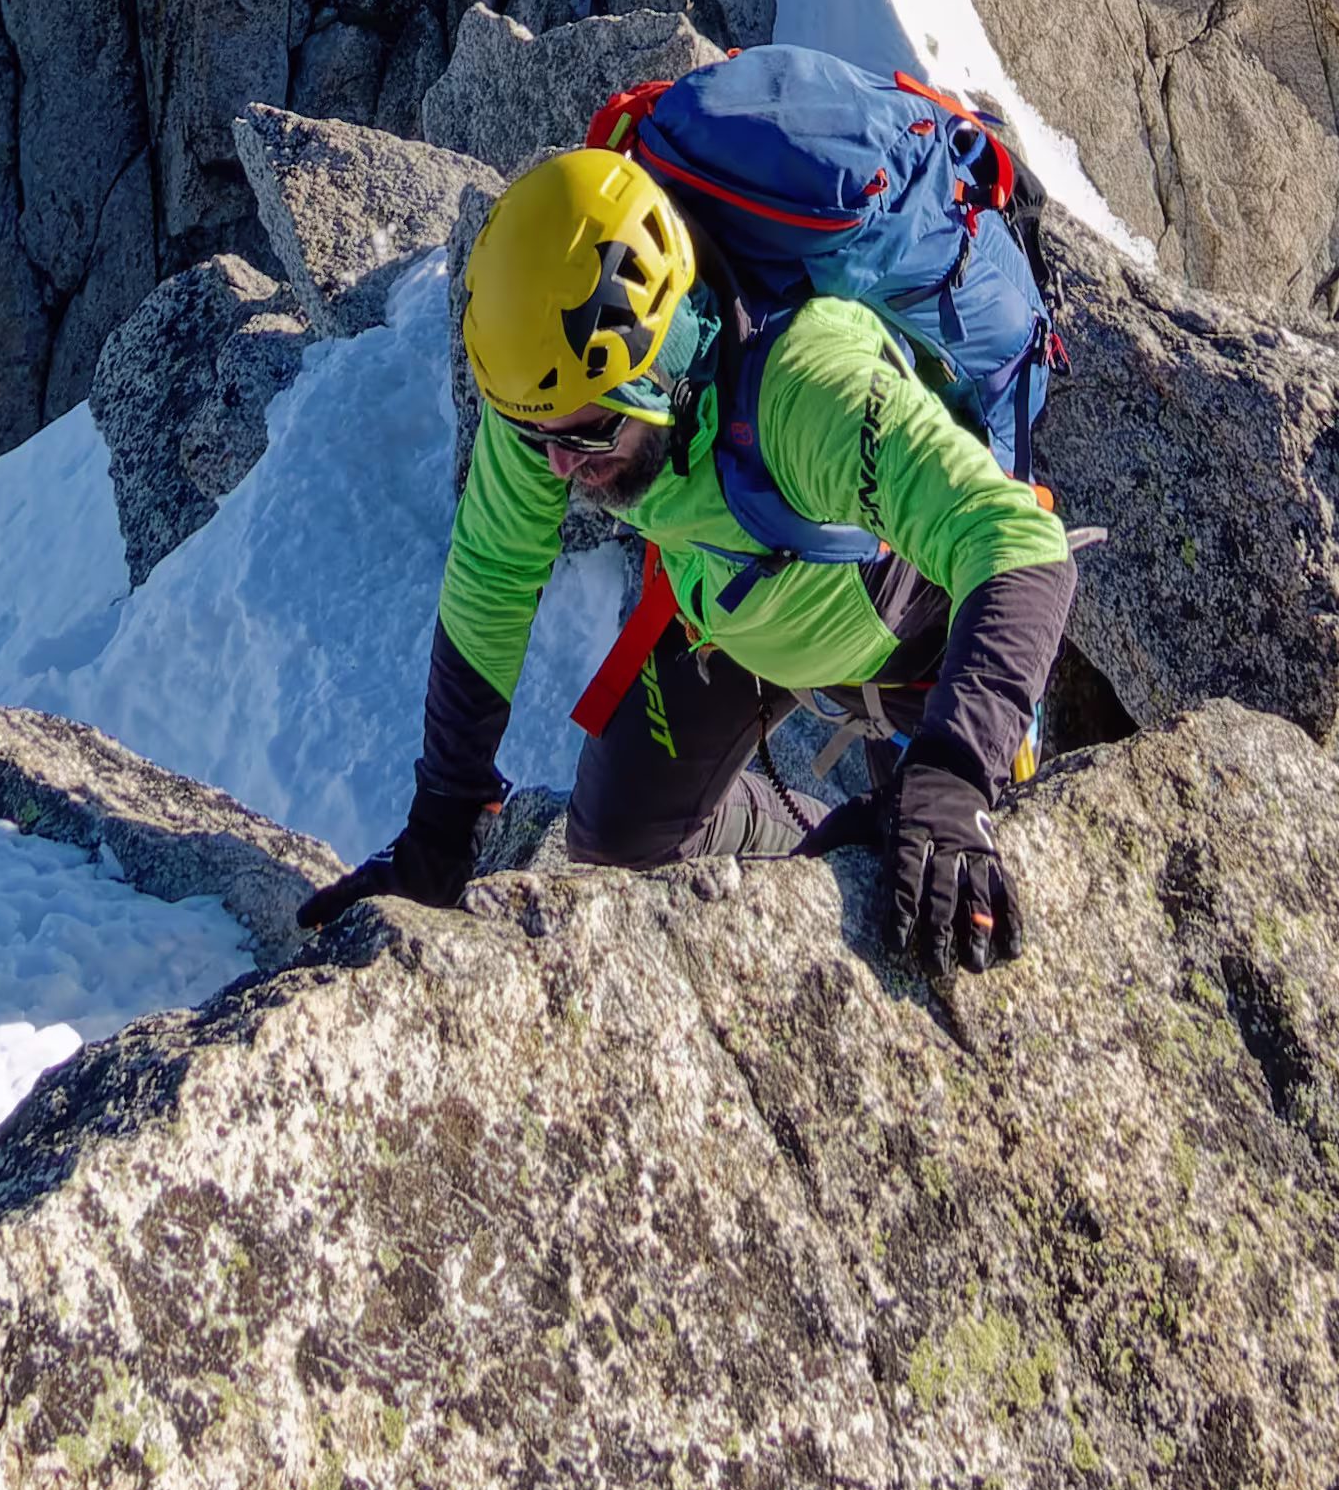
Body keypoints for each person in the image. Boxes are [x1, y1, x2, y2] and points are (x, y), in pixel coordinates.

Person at [299, 138, 1072, 969]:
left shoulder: (809, 390)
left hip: (913, 638)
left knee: (941, 896)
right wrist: (442, 821)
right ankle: (825, 843)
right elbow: (494, 569)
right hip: (731, 596)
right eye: (533, 435)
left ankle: (896, 807)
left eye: (586, 435)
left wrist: (954, 773)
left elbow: (1021, 547)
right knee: (615, 844)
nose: (556, 465)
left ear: (660, 367)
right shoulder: (555, 377)